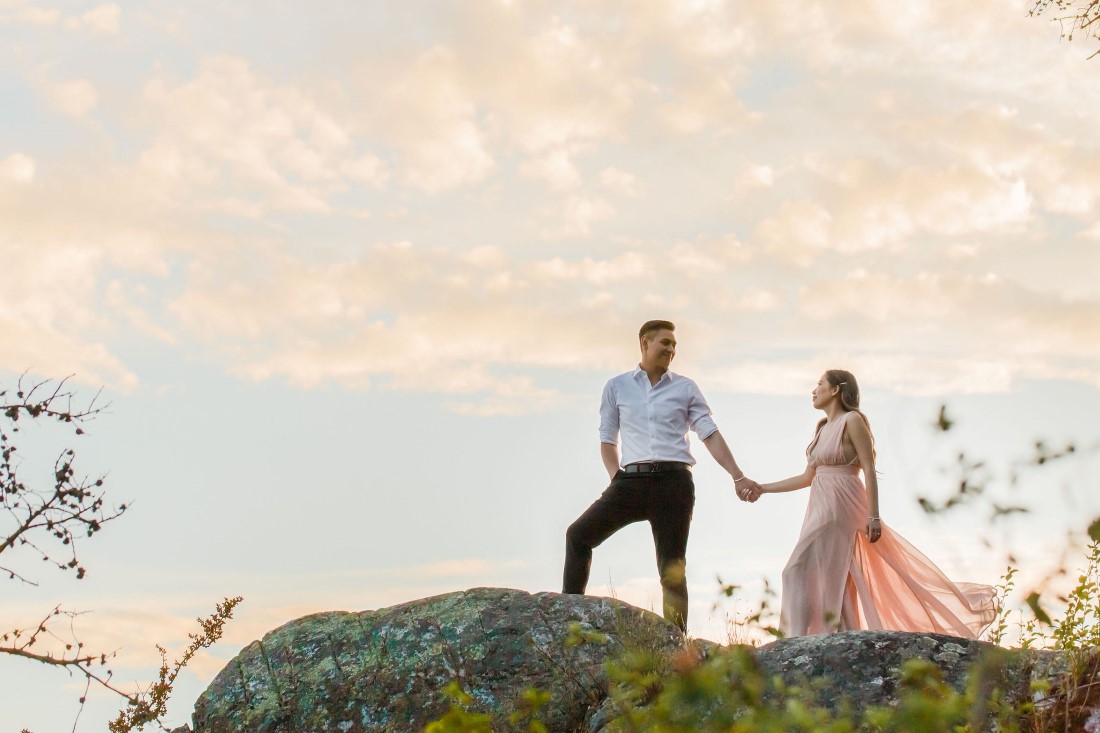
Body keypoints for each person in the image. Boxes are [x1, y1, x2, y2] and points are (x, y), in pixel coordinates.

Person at [750, 369, 996, 638]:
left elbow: (868, 468)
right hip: (819, 504)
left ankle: (794, 638)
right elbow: (808, 477)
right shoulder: (821, 430)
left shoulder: (853, 420)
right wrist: (763, 488)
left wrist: (874, 516)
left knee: (795, 568)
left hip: (842, 504)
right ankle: (827, 635)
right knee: (836, 578)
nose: (814, 390)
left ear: (835, 390)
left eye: (819, 384)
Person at [562, 320, 759, 632]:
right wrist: (617, 479)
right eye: (665, 343)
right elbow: (607, 440)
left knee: (672, 568)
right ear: (645, 342)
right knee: (578, 535)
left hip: (674, 484)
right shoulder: (617, 387)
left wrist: (738, 476)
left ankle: (676, 647)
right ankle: (565, 622)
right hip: (631, 481)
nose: (671, 349)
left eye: (674, 346)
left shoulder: (685, 387)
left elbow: (709, 433)